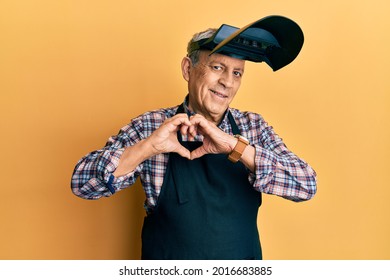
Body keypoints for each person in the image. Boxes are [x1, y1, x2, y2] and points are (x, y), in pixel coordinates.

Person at [71, 16, 317, 260]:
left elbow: (306, 185)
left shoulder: (253, 127)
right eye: (217, 67)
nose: (227, 83)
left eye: (237, 73)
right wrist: (149, 147)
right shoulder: (150, 126)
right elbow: (82, 184)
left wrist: (235, 146)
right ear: (188, 69)